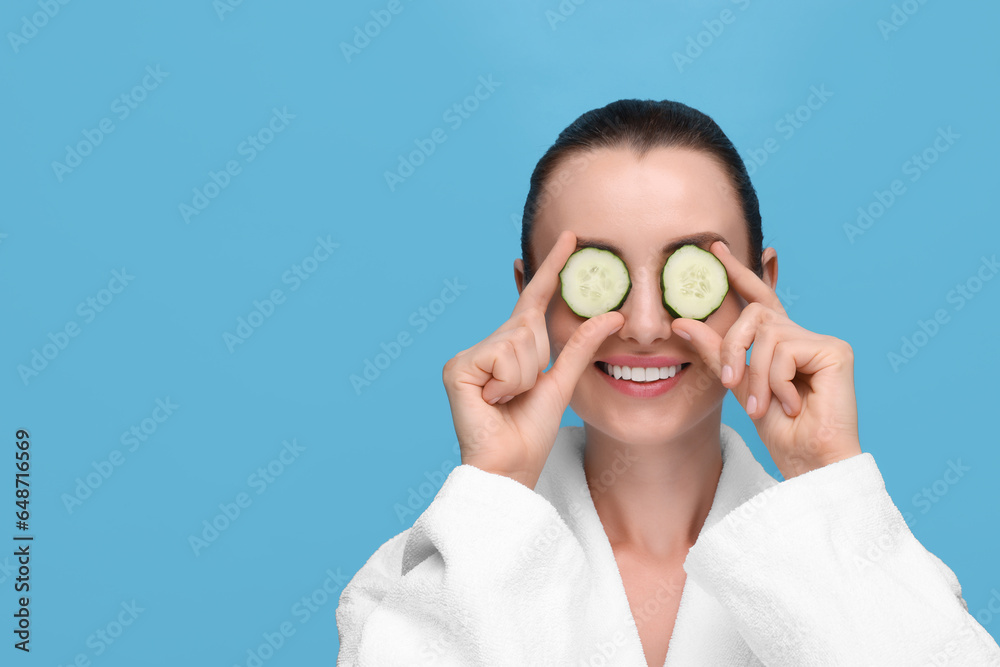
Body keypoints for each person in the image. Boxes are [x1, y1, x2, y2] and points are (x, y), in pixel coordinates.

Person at [336, 99, 1000, 666]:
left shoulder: (891, 579)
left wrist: (825, 473)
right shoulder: (412, 582)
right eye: (597, 275)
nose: (648, 325)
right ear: (529, 295)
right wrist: (497, 490)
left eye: (689, 273)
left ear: (760, 287)